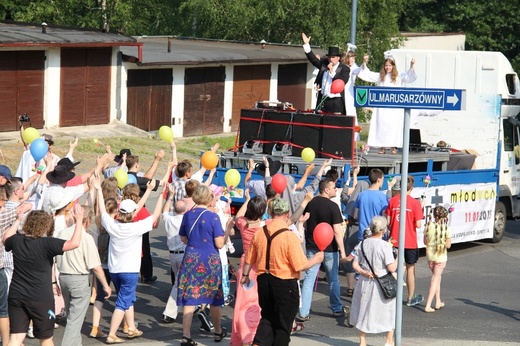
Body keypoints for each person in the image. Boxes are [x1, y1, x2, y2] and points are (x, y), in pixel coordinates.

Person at [241, 198, 324, 346]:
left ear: (271, 213)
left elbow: (249, 258)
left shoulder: (260, 233)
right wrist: (316, 259)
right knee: (283, 326)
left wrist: (245, 276)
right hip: (284, 284)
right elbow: (300, 265)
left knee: (267, 318)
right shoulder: (289, 236)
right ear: (287, 214)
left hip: (264, 281)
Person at [93, 176, 164, 344]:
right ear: (132, 213)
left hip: (114, 269)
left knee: (127, 298)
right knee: (122, 302)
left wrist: (97, 190)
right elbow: (154, 215)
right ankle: (112, 334)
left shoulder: (112, 225)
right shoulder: (136, 228)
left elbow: (103, 211)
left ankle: (131, 327)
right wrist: (160, 194)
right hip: (129, 271)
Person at [3, 205, 84, 346]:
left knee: (15, 338)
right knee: (46, 338)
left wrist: (18, 219)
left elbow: (5, 239)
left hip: (17, 295)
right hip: (41, 298)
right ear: (47, 226)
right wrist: (79, 220)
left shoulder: (17, 240)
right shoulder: (47, 243)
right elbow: (74, 243)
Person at [53, 203, 111, 346]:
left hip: (63, 278)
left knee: (73, 318)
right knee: (74, 321)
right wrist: (105, 285)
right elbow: (96, 267)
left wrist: (54, 281)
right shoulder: (86, 237)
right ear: (88, 220)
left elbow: (53, 260)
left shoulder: (61, 233)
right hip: (79, 280)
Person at [177, 185, 227, 346]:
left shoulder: (188, 215)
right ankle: (218, 331)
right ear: (209, 199)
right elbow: (219, 243)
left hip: (191, 258)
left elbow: (183, 238)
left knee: (190, 298)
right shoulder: (213, 217)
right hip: (209, 260)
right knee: (213, 297)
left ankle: (186, 335)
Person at [298, 179, 347, 322]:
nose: (336, 190)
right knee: (333, 279)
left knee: (308, 280)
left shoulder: (310, 203)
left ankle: (303, 312)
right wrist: (343, 252)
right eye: (333, 188)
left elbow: (306, 223)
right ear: (326, 189)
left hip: (313, 247)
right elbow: (337, 231)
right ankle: (336, 308)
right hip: (330, 249)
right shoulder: (333, 206)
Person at [350, 216, 397, 346]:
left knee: (363, 309)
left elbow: (355, 265)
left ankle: (362, 341)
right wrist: (398, 257)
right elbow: (391, 267)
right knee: (388, 311)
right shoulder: (385, 246)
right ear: (383, 230)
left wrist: (365, 272)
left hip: (365, 281)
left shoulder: (363, 243)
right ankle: (388, 340)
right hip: (382, 283)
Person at [357, 52, 417, 154]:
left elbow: (409, 77)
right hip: (382, 107)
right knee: (382, 125)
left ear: (393, 66)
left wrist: (412, 66)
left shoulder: (398, 76)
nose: (388, 67)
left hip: (394, 106)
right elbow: (368, 74)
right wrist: (364, 63)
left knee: (394, 126)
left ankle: (393, 147)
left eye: (390, 65)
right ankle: (383, 147)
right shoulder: (381, 76)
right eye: (386, 65)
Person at [230, 195, 266, 346]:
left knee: (241, 304)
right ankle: (251, 335)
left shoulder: (242, 223)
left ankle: (240, 336)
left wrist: (246, 200)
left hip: (244, 266)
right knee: (256, 304)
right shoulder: (265, 225)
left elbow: (238, 216)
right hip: (260, 266)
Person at [386, 176, 425, 307]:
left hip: (394, 240)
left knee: (391, 269)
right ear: (411, 188)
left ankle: (389, 295)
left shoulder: (392, 201)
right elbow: (419, 224)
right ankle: (410, 297)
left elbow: (387, 221)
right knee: (410, 269)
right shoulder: (415, 203)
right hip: (409, 241)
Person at [302, 32, 350, 114]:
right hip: (323, 99)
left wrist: (332, 72)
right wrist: (306, 44)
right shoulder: (324, 64)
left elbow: (342, 82)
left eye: (333, 57)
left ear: (338, 58)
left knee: (333, 123)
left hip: (336, 101)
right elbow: (313, 60)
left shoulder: (344, 69)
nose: (331, 59)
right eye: (329, 57)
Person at [161, 195, 187, 324]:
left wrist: (170, 197)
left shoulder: (168, 219)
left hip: (172, 255)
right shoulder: (186, 221)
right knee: (178, 283)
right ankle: (169, 313)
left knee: (181, 281)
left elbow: (164, 211)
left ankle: (195, 305)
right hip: (183, 255)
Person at [424, 206, 451, 313]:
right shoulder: (446, 229)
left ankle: (438, 301)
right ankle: (428, 305)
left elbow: (425, 241)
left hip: (430, 255)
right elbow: (448, 245)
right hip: (440, 256)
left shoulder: (428, 226)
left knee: (437, 278)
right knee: (435, 279)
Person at [340, 48, 363, 140]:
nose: (353, 60)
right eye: (352, 58)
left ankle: (352, 137)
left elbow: (358, 70)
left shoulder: (353, 67)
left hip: (349, 93)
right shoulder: (341, 67)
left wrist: (364, 64)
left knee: (350, 112)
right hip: (341, 91)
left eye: (354, 58)